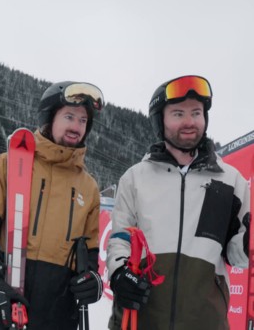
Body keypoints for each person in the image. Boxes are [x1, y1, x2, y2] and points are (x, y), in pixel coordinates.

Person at [106, 75, 250, 329]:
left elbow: (236, 255)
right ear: (160, 120)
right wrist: (119, 274)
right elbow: (120, 238)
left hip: (204, 321)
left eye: (196, 112)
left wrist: (247, 241)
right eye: (178, 113)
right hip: (141, 318)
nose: (189, 122)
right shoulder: (135, 178)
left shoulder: (231, 181)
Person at [0, 81, 106, 330]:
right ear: (49, 117)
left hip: (55, 316)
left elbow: (90, 252)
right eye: (69, 116)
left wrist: (92, 279)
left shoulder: (89, 188)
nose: (76, 126)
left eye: (83, 121)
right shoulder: (7, 164)